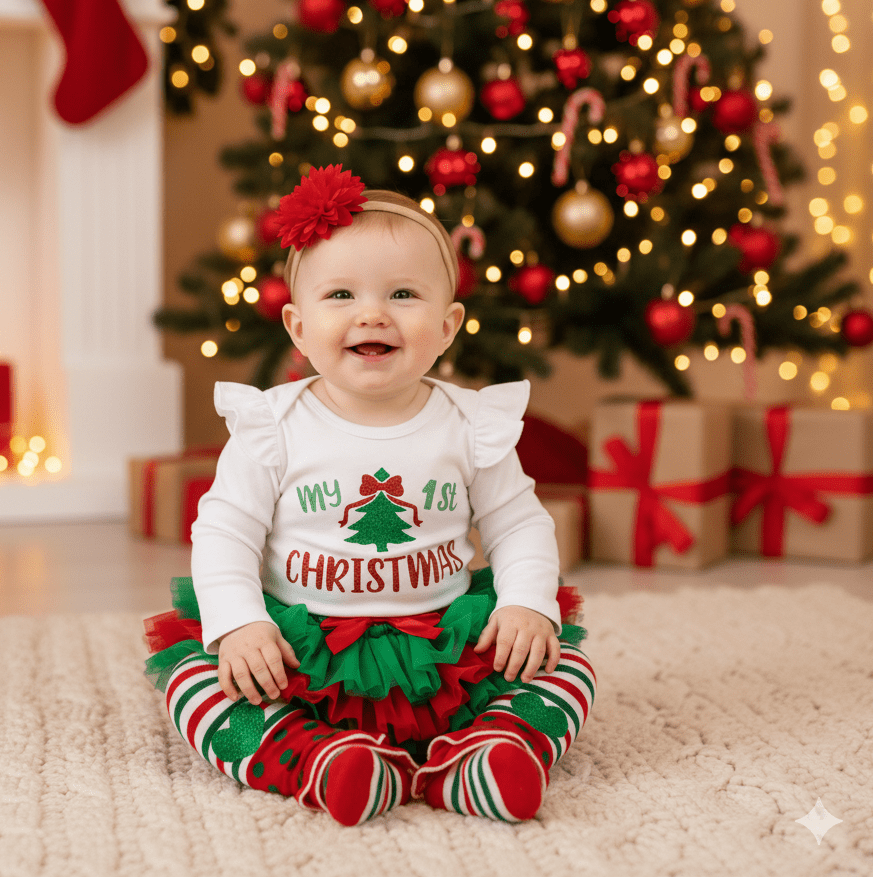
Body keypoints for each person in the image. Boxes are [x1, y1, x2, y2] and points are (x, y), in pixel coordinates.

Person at [144, 164, 595, 826]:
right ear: (298, 328)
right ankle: (317, 760)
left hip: (443, 645)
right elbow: (224, 532)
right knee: (198, 682)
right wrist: (240, 622)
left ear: (447, 326)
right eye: (342, 295)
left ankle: (482, 756)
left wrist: (528, 604)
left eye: (405, 293)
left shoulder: (470, 425)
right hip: (302, 649)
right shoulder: (272, 427)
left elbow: (518, 523)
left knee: (564, 663)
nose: (372, 313)